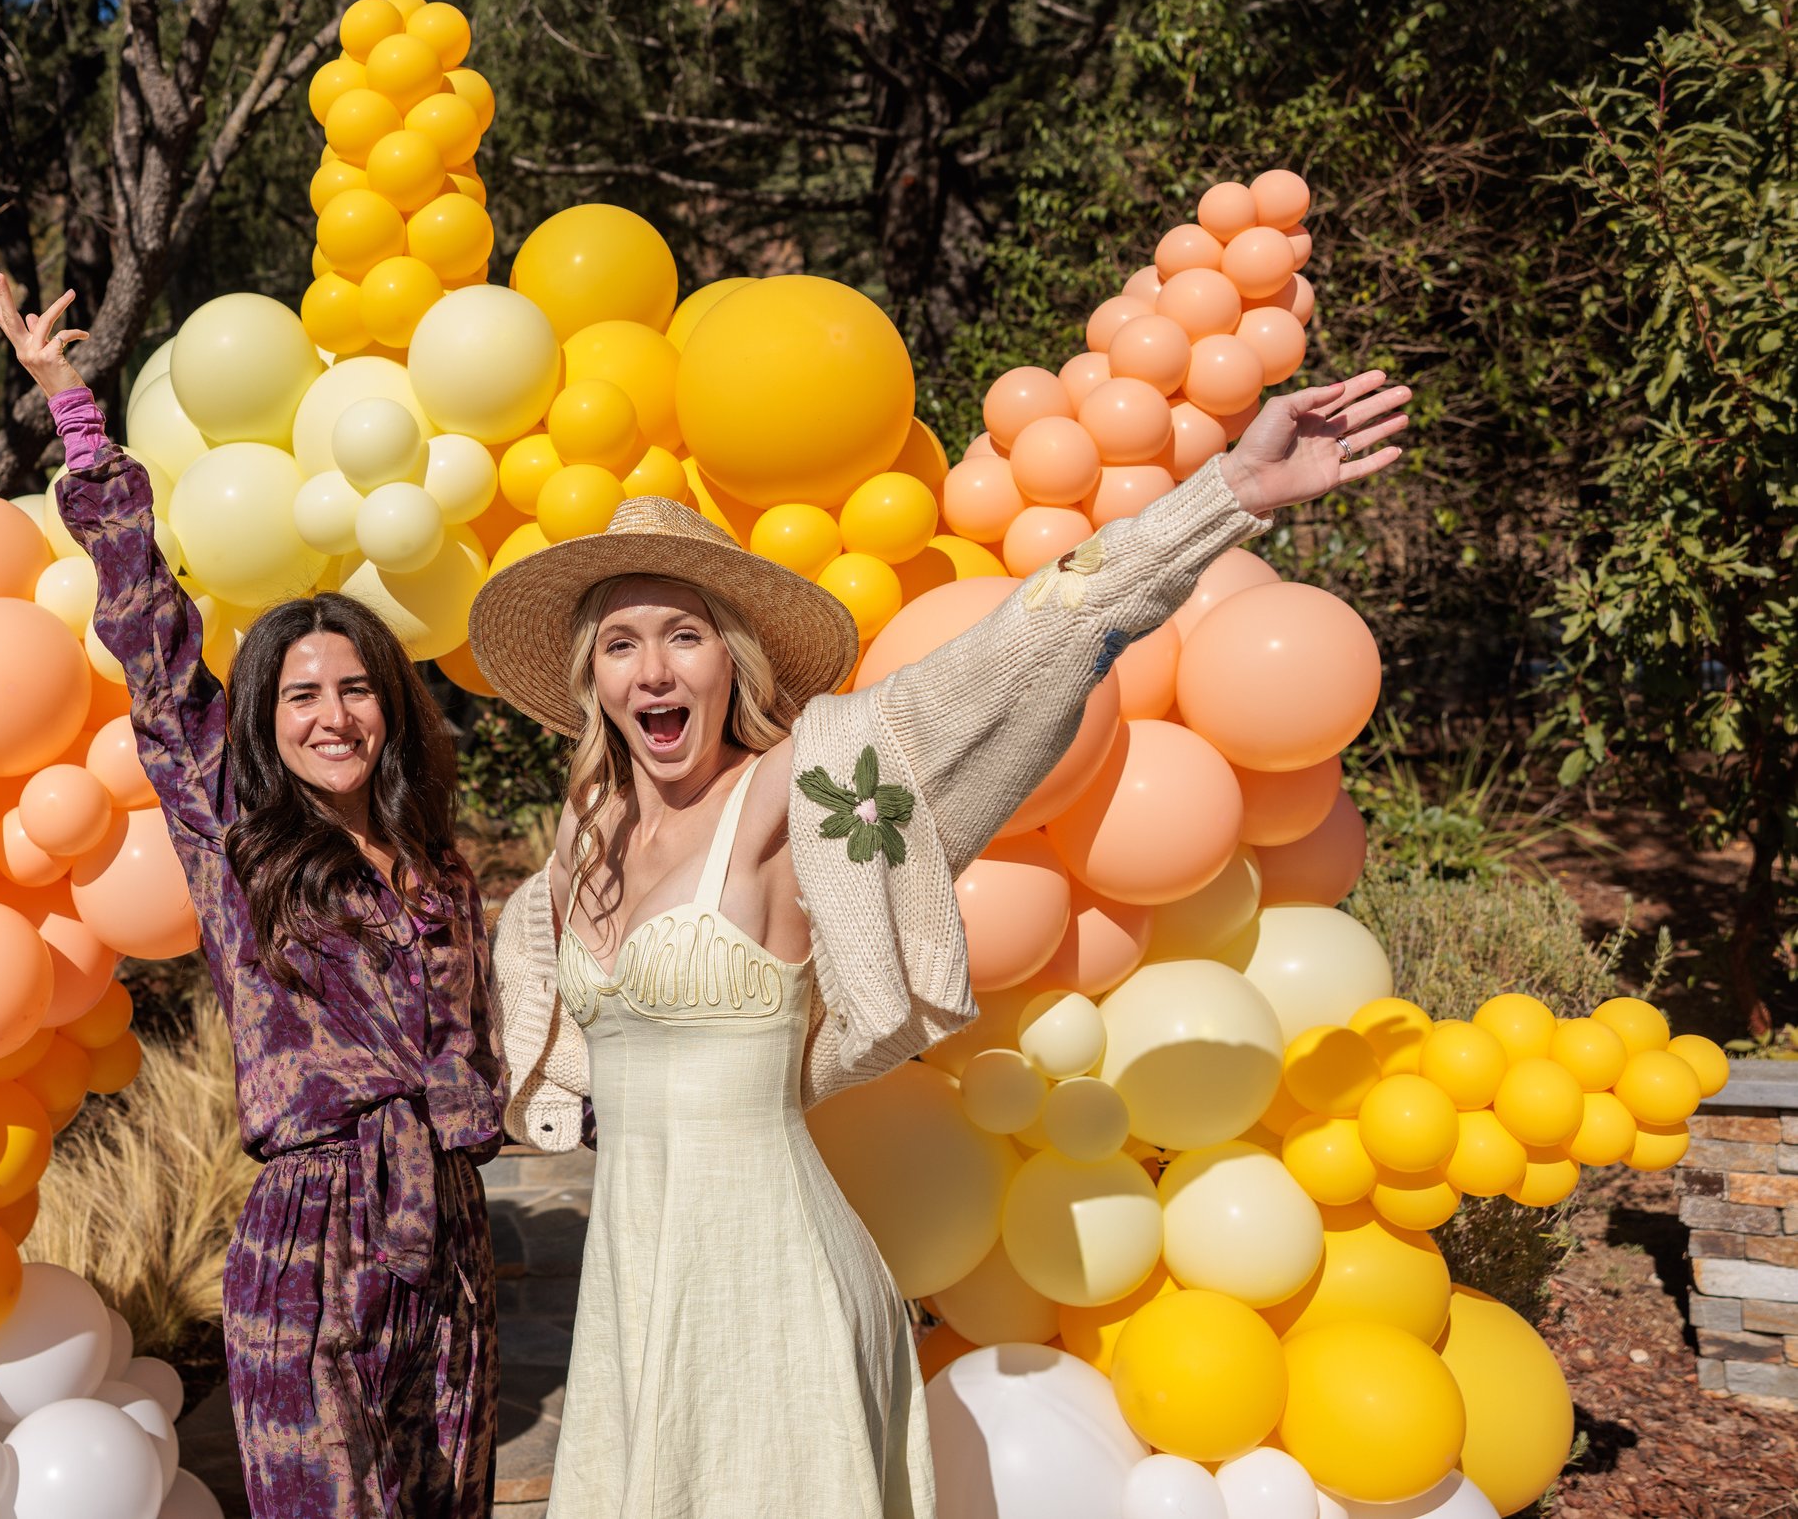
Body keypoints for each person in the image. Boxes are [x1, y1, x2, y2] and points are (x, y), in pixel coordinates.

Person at [470, 374, 1410, 1518]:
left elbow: (1035, 639)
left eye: (684, 636)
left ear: (734, 660)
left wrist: (1227, 495)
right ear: (591, 676)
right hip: (636, 1286)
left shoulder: (802, 786)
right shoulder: (585, 836)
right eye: (621, 642)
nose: (653, 669)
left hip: (772, 1278)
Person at [0, 276, 504, 1519]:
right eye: (301, 694)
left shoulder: (441, 865)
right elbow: (157, 644)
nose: (334, 715)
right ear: (268, 721)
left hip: (450, 1231)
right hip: (311, 1232)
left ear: (393, 703)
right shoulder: (237, 831)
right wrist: (78, 422)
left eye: (358, 688)